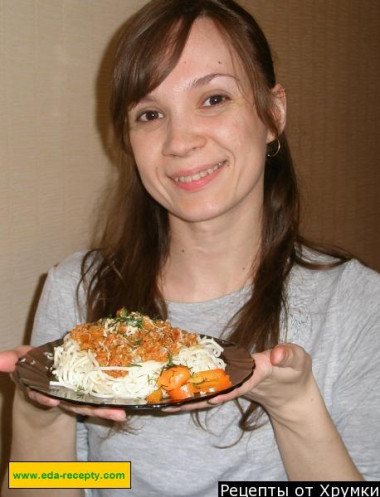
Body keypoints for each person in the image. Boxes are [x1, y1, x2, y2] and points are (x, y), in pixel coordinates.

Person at [2, 0, 380, 495]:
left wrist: (295, 409)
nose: (180, 141)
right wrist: (40, 416)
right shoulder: (77, 291)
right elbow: (96, 478)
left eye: (214, 99)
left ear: (273, 114)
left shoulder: (358, 306)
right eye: (151, 113)